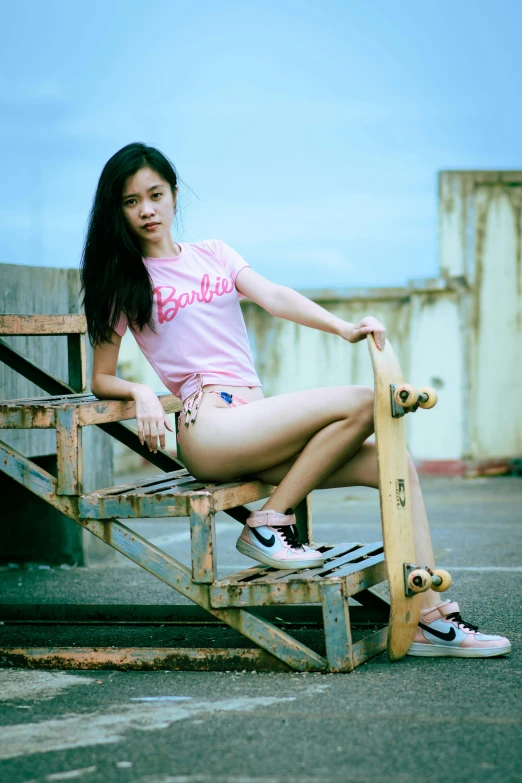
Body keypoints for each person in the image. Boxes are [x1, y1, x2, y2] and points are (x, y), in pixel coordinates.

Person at [82, 142, 511, 659]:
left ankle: (431, 617)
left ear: (174, 196)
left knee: (396, 463)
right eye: (131, 202)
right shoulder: (123, 281)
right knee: (361, 401)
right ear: (118, 210)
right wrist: (142, 394)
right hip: (209, 429)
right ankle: (272, 521)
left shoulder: (214, 253)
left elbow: (275, 296)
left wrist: (343, 327)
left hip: (254, 421)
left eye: (155, 195)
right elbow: (100, 378)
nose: (147, 210)